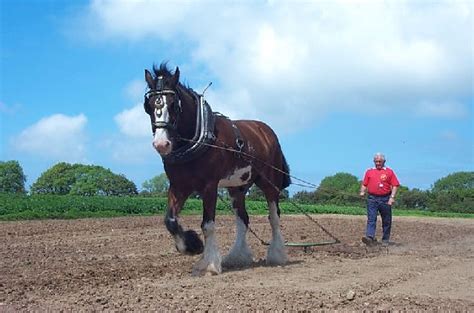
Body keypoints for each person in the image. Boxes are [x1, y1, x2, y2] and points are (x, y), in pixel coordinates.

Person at [359, 152, 400, 246]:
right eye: (376, 161)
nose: (378, 163)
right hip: (372, 198)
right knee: (371, 218)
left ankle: (385, 239)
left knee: (386, 220)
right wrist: (362, 191)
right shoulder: (369, 172)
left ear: (384, 161)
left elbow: (395, 185)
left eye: (379, 161)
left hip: (385, 199)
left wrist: (392, 198)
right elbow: (364, 184)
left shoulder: (389, 172)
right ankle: (369, 237)